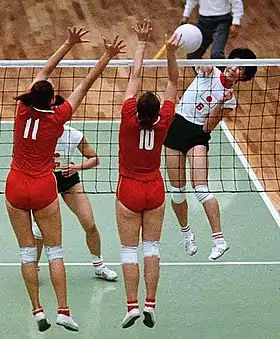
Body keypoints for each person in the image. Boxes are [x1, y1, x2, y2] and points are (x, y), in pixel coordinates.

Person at [5, 27, 125, 332]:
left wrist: (68, 42)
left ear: (32, 96)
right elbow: (86, 83)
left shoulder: (21, 110)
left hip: (16, 186)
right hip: (44, 186)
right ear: (52, 102)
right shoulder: (58, 119)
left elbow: (45, 69)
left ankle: (37, 310)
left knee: (27, 252)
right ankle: (63, 310)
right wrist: (107, 56)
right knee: (55, 251)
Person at [115, 19, 181, 329]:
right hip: (154, 189)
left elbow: (136, 75)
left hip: (129, 190)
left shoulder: (128, 117)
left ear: (137, 110)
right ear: (156, 113)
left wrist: (141, 42)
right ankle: (151, 304)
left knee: (129, 250)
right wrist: (170, 51)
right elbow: (173, 82)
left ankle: (131, 306)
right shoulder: (165, 120)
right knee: (152, 248)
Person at [164, 48, 257, 261]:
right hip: (176, 127)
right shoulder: (209, 72)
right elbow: (201, 64)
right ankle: (186, 234)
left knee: (201, 188)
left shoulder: (230, 102)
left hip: (197, 135)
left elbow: (207, 127)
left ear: (243, 76)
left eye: (241, 69)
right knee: (177, 191)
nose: (235, 69)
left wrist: (220, 102)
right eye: (235, 63)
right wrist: (203, 63)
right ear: (229, 61)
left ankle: (219, 240)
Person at [32, 122, 118, 281]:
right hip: (44, 180)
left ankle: (99, 266)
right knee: (39, 228)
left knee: (89, 224)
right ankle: (33, 267)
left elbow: (94, 159)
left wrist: (76, 167)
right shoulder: (36, 133)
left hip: (68, 178)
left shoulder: (72, 134)